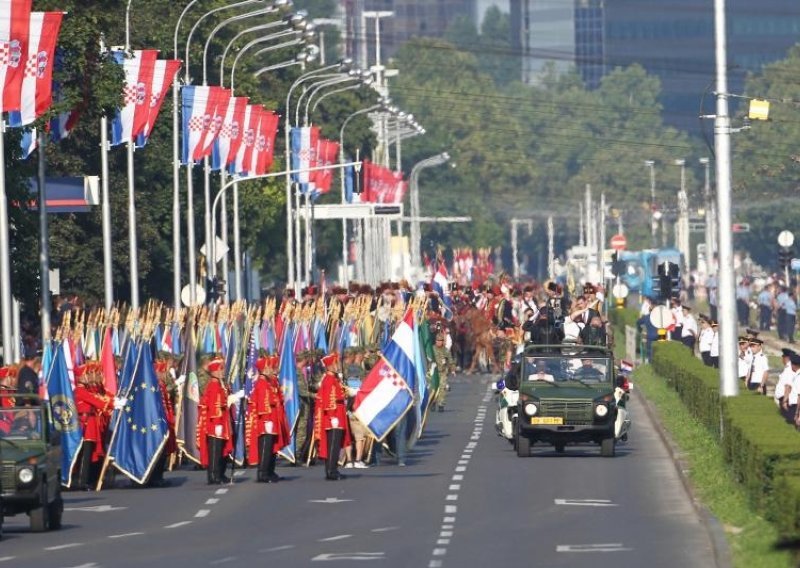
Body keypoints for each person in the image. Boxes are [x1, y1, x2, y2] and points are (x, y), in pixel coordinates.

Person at [248, 355, 289, 483]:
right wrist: (267, 421)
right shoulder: (262, 384)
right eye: (269, 367)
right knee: (266, 447)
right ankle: (263, 473)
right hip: (267, 420)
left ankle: (270, 471)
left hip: (272, 419)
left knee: (272, 447)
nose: (272, 369)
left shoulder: (267, 382)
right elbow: (263, 404)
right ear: (264, 369)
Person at [198, 357, 238, 485]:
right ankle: (214, 475)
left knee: (221, 450)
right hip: (216, 423)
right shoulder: (214, 385)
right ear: (214, 371)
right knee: (215, 450)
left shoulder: (220, 384)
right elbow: (215, 405)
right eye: (220, 369)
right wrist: (228, 401)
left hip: (222, 422)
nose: (222, 371)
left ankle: (220, 473)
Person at [73, 363, 112, 490]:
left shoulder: (87, 390)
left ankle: (90, 480)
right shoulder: (80, 390)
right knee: (86, 455)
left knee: (91, 454)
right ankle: (83, 482)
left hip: (92, 424)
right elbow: (97, 401)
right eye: (87, 374)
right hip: (86, 426)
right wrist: (113, 403)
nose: (89, 377)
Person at [314, 352, 350, 481]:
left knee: (335, 445)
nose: (337, 365)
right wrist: (332, 416)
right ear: (330, 366)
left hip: (338, 414)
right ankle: (331, 471)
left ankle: (333, 468)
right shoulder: (329, 380)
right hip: (334, 417)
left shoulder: (334, 378)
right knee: (333, 445)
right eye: (335, 363)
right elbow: (329, 400)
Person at [433, 334, 455, 412]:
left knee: (442, 388)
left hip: (443, 371)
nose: (439, 342)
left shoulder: (445, 350)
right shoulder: (432, 349)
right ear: (435, 341)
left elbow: (450, 360)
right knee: (434, 388)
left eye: (441, 341)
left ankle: (441, 404)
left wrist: (453, 370)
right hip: (433, 373)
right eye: (438, 341)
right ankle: (433, 402)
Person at [780, 353, 800, 425]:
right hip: (793, 405)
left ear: (794, 365)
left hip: (795, 406)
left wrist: (797, 414)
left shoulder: (798, 377)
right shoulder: (796, 375)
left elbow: (799, 396)